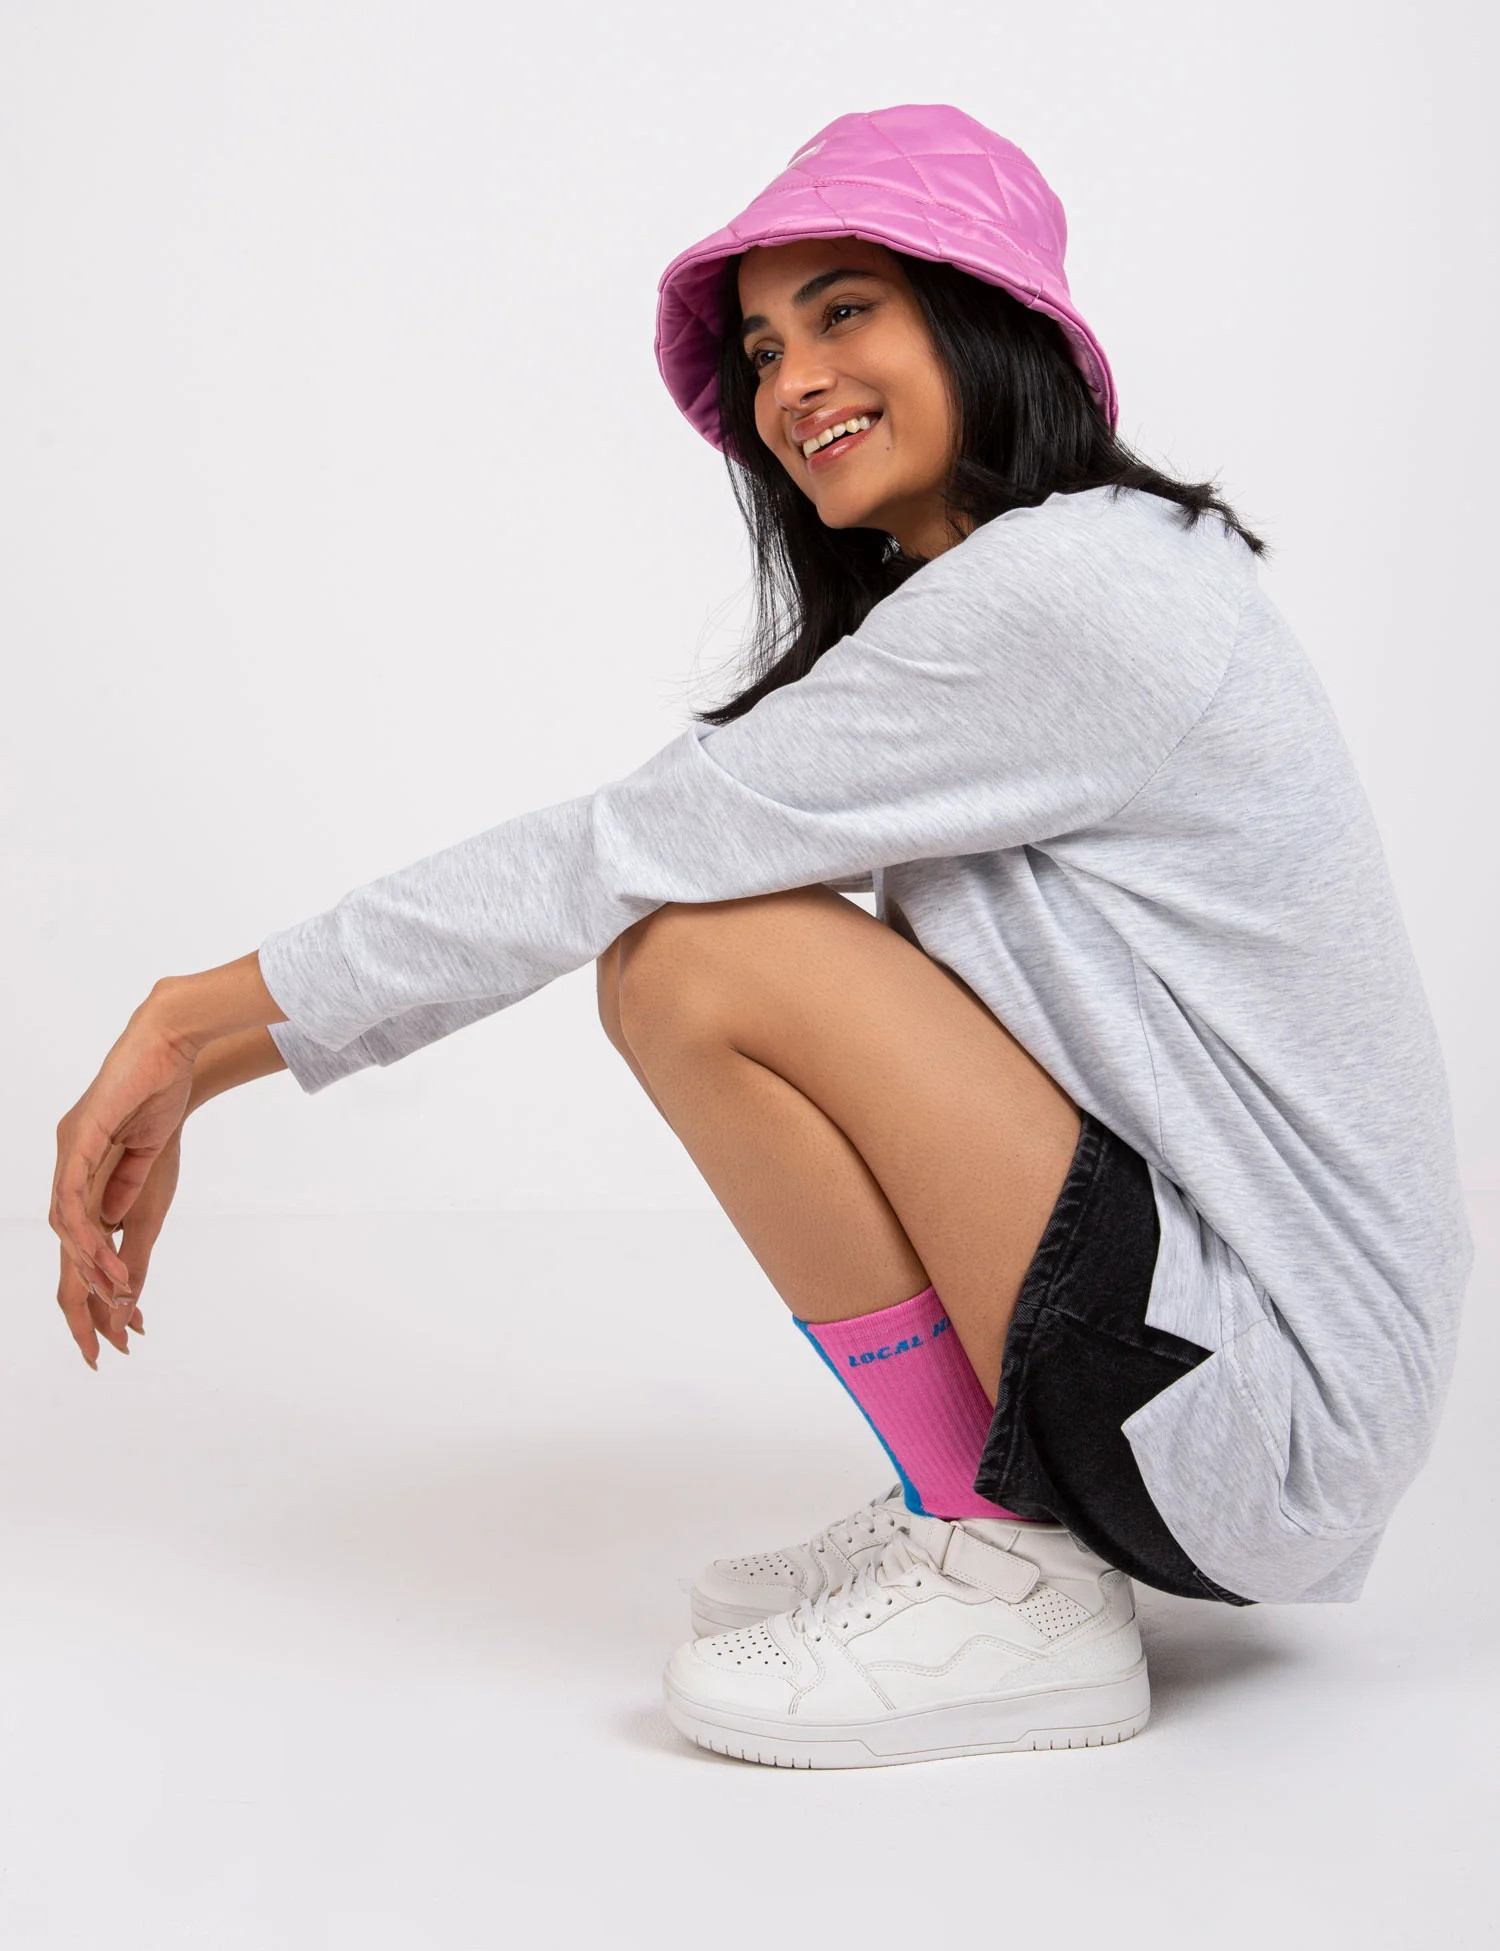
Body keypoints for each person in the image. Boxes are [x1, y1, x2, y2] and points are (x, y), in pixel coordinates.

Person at [50, 104, 1473, 1771]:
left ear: (987, 320)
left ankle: (1009, 1566)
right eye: (763, 347)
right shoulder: (1050, 585)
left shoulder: (1079, 590)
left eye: (845, 308)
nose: (795, 380)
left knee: (699, 958)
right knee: (697, 935)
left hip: (1263, 1412)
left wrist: (190, 1025)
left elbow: (609, 854)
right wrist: (215, 1050)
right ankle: (980, 1502)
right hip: (1240, 1374)